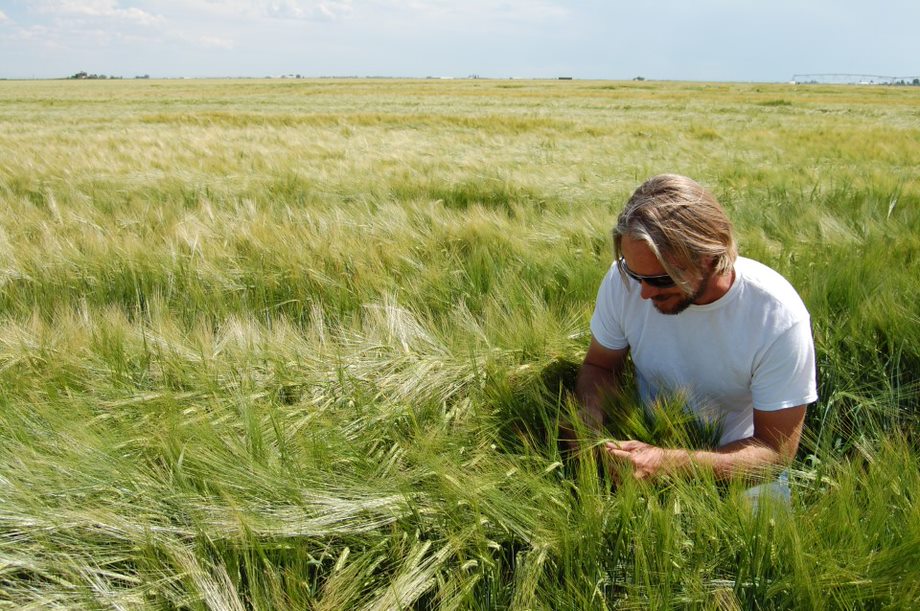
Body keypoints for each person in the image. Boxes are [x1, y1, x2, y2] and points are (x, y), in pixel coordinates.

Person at [575, 174, 817, 489]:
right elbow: (600, 365)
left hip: (738, 464)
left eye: (662, 279)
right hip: (642, 441)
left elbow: (775, 450)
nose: (645, 293)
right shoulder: (624, 283)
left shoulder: (776, 317)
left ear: (711, 256)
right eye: (636, 275)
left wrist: (669, 464)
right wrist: (590, 416)